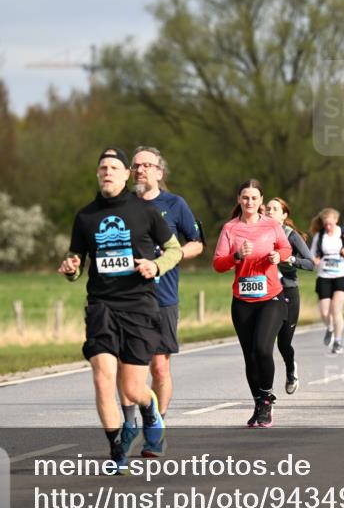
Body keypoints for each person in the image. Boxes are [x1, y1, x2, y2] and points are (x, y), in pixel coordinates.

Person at [59, 148, 183, 472]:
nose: (108, 172)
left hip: (139, 306)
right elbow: (76, 262)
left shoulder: (146, 211)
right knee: (102, 378)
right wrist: (71, 268)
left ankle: (150, 409)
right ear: (97, 174)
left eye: (114, 168)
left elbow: (174, 250)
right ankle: (116, 449)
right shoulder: (85, 217)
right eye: (103, 168)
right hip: (102, 306)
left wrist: (156, 266)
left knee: (131, 389)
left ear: (126, 174)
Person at [122, 146, 204, 457]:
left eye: (147, 165)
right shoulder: (122, 205)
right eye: (136, 165)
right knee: (129, 367)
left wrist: (171, 257)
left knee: (159, 367)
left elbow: (197, 243)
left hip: (163, 296)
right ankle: (129, 426)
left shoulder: (174, 204)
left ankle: (156, 427)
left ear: (159, 172)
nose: (140, 170)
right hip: (127, 297)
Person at [213, 180, 292, 427]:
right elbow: (218, 264)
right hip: (242, 301)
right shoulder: (230, 228)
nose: (250, 202)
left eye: (254, 198)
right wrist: (236, 256)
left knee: (262, 348)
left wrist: (279, 255)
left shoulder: (271, 225)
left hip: (271, 298)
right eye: (245, 197)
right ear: (239, 199)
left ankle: (267, 400)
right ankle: (258, 403)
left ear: (261, 201)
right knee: (250, 356)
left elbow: (286, 248)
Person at [266, 197, 315, 394]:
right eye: (267, 208)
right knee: (264, 342)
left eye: (274, 209)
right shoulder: (259, 232)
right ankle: (265, 388)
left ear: (284, 215)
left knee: (284, 342)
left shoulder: (290, 235)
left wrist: (290, 259)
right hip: (266, 293)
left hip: (287, 290)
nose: (269, 212)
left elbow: (310, 263)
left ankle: (291, 370)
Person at [309, 208, 344, 355]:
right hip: (324, 276)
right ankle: (330, 327)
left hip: (341, 275)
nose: (328, 227)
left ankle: (338, 342)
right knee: (325, 313)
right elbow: (311, 255)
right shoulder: (320, 235)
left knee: (336, 309)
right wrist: (315, 260)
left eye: (330, 224)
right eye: (325, 224)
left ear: (336, 220)